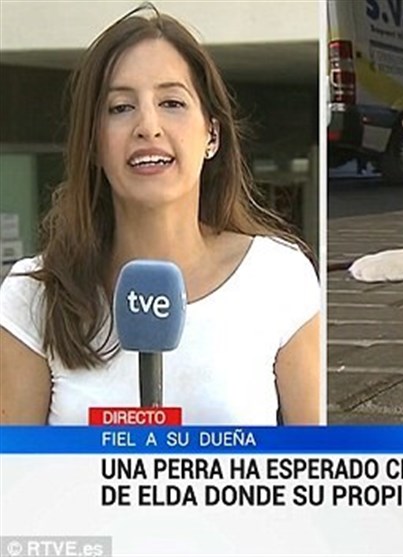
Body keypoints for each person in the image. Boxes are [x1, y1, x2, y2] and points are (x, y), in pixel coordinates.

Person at [0, 4, 321, 425]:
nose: (147, 126)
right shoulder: (32, 296)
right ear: (94, 144)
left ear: (212, 134)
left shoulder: (279, 275)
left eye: (171, 102)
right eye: (120, 107)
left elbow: (314, 469)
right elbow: (15, 483)